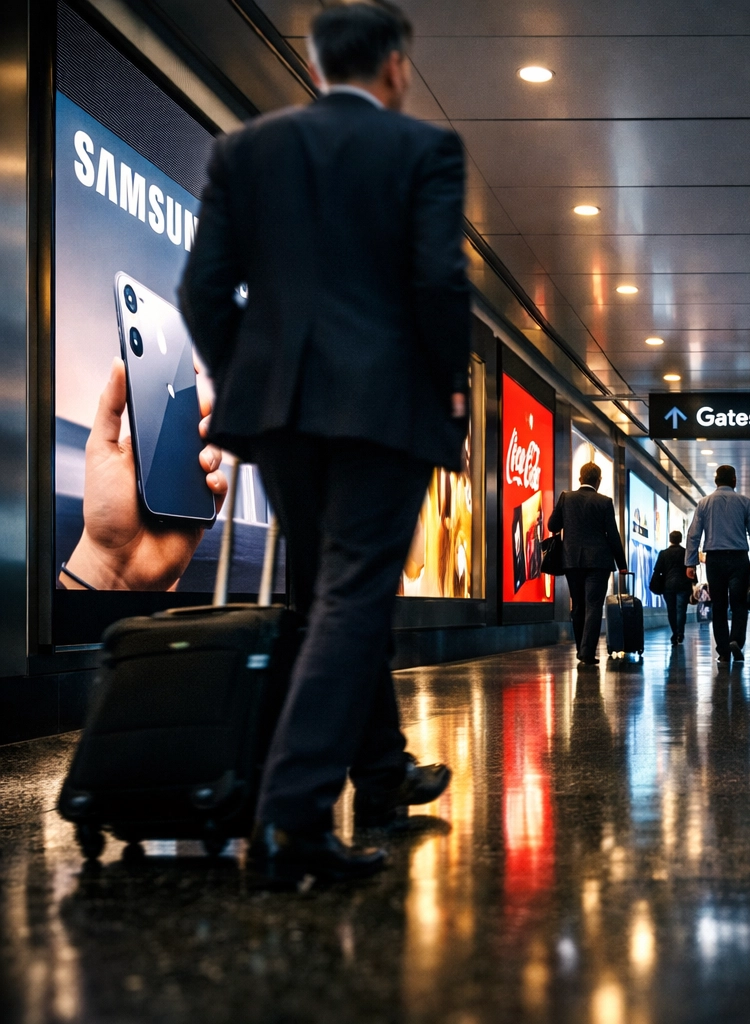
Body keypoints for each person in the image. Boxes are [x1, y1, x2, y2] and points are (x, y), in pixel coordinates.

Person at [180, 1, 462, 885]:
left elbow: (201, 291)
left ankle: (370, 776)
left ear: (312, 67)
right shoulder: (422, 150)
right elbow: (435, 281)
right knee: (348, 597)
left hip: (281, 413)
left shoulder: (243, 150)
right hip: (382, 408)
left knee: (327, 595)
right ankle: (289, 821)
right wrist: (446, 383)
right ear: (396, 69)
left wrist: (252, 381)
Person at [685, 465, 750, 662]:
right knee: (739, 603)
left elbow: (693, 534)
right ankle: (736, 641)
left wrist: (690, 563)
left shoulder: (704, 503)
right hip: (739, 558)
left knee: (719, 605)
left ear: (716, 481)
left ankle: (723, 650)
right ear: (734, 481)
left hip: (714, 559)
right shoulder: (744, 502)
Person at [549, 463, 627, 665]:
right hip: (599, 562)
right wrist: (622, 564)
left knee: (578, 605)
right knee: (594, 605)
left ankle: (580, 648)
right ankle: (587, 652)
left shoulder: (566, 498)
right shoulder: (604, 502)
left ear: (579, 479)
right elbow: (613, 535)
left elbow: (552, 525)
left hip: (572, 561)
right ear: (598, 481)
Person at [652, 530, 692, 645]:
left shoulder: (663, 553)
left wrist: (655, 584)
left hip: (668, 586)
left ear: (670, 539)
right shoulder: (685, 553)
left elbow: (657, 570)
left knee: (671, 610)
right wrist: (693, 584)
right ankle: (680, 633)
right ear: (680, 540)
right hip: (683, 585)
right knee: (681, 610)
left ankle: (674, 633)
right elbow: (691, 570)